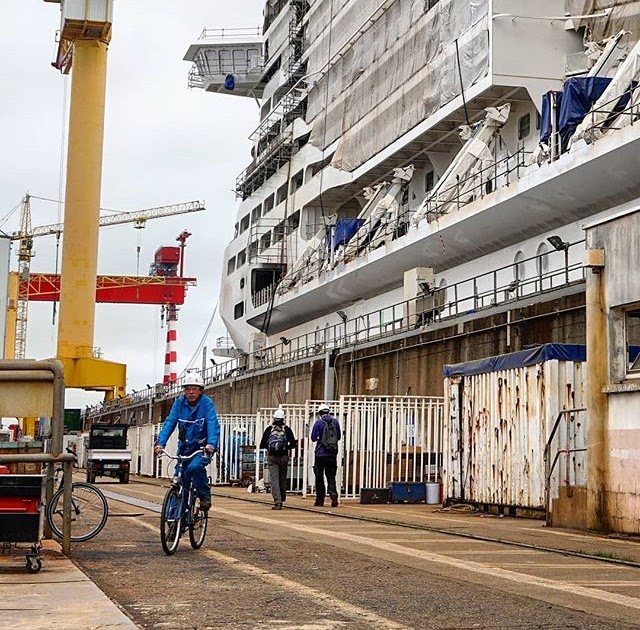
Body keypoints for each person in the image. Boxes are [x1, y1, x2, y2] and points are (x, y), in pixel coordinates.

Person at [154, 373, 219, 512]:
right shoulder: (179, 403)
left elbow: (213, 424)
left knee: (194, 468)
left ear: (200, 390)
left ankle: (204, 496)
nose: (190, 392)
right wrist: (160, 444)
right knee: (180, 478)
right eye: (187, 389)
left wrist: (211, 444)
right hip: (184, 449)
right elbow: (170, 423)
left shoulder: (206, 403)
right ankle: (175, 516)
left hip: (201, 448)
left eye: (194, 389)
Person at [259, 408, 296, 510]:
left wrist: (271, 448)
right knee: (282, 478)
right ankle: (282, 497)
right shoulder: (287, 430)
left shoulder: (269, 429)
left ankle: (277, 501)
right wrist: (284, 448)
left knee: (274, 479)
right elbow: (293, 444)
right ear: (283, 419)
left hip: (272, 457)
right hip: (284, 457)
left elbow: (262, 444)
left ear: (274, 418)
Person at [310, 404, 341, 507]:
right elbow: (339, 437)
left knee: (319, 477)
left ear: (320, 413)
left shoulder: (318, 423)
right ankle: (333, 493)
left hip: (320, 454)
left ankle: (320, 499)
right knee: (331, 476)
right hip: (332, 454)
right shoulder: (335, 422)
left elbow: (313, 438)